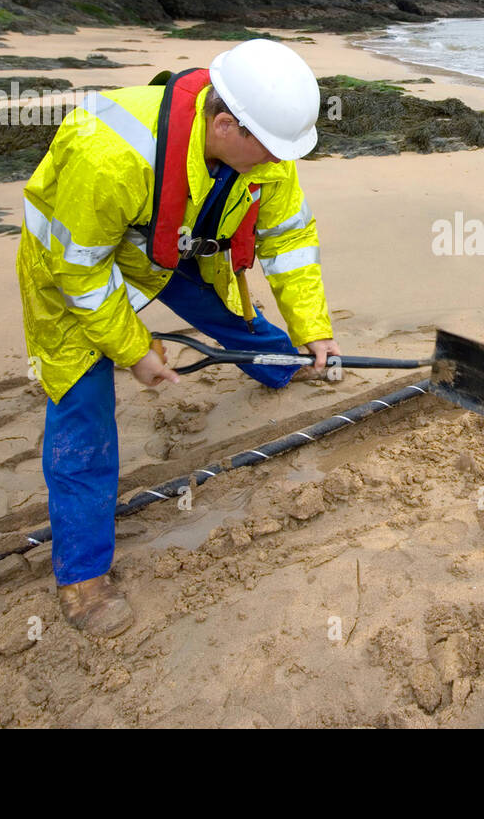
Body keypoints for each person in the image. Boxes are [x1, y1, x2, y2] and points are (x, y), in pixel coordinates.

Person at [17, 39, 340, 636]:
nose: (276, 162)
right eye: (269, 151)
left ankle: (280, 363)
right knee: (83, 404)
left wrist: (313, 328)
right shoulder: (109, 153)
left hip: (163, 244)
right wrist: (135, 350)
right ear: (224, 124)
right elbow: (80, 272)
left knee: (228, 314)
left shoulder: (262, 148)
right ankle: (83, 575)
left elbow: (288, 238)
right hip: (70, 266)